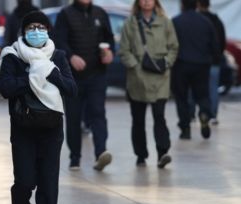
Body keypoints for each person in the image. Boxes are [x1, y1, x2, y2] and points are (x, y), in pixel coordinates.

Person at [0, 11, 77, 204]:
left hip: (51, 129)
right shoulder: (12, 56)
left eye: (41, 27)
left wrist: (52, 75)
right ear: (23, 31)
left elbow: (71, 89)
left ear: (48, 31)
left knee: (48, 185)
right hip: (23, 128)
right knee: (24, 182)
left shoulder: (58, 57)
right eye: (31, 27)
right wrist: (34, 77)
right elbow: (6, 88)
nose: (36, 32)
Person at [54, 0, 115, 171]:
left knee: (98, 113)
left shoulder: (100, 13)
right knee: (73, 117)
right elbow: (59, 42)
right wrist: (71, 56)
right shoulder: (65, 14)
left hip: (97, 74)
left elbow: (109, 39)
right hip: (72, 77)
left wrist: (110, 53)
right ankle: (75, 157)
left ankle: (101, 152)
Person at [119, 0, 179, 168]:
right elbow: (124, 50)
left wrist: (166, 63)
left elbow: (174, 47)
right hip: (137, 79)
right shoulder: (130, 23)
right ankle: (140, 155)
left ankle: (162, 153)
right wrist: (135, 66)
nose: (146, 2)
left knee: (159, 116)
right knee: (138, 120)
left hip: (160, 77)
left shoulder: (166, 22)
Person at [171, 0, 218, 140]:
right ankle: (204, 113)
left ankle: (185, 128)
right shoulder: (206, 22)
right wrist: (212, 59)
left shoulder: (175, 21)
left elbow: (169, 43)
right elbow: (214, 45)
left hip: (180, 65)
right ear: (196, 5)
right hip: (201, 65)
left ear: (182, 5)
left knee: (181, 98)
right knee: (202, 94)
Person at [198, 0, 226, 125]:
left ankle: (192, 113)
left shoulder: (197, 20)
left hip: (198, 61)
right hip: (214, 61)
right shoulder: (216, 21)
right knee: (213, 88)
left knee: (193, 88)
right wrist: (218, 55)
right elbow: (222, 41)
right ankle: (213, 114)